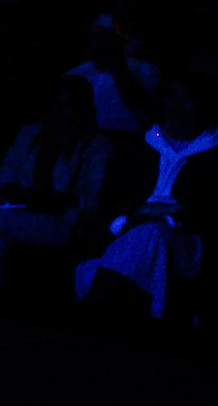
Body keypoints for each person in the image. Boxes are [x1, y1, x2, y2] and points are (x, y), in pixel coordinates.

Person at [0, 77, 110, 286]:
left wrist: (54, 198)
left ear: (82, 109)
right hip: (21, 211)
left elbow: (92, 200)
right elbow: (7, 171)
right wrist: (16, 191)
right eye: (56, 104)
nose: (59, 112)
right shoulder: (30, 133)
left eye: (68, 105)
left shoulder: (95, 146)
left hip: (63, 222)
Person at [76, 75, 216, 320]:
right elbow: (111, 197)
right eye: (171, 97)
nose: (177, 105)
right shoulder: (141, 145)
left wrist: (167, 216)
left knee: (151, 232)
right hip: (132, 228)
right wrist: (132, 219)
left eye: (187, 98)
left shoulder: (212, 151)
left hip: (187, 240)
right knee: (143, 237)